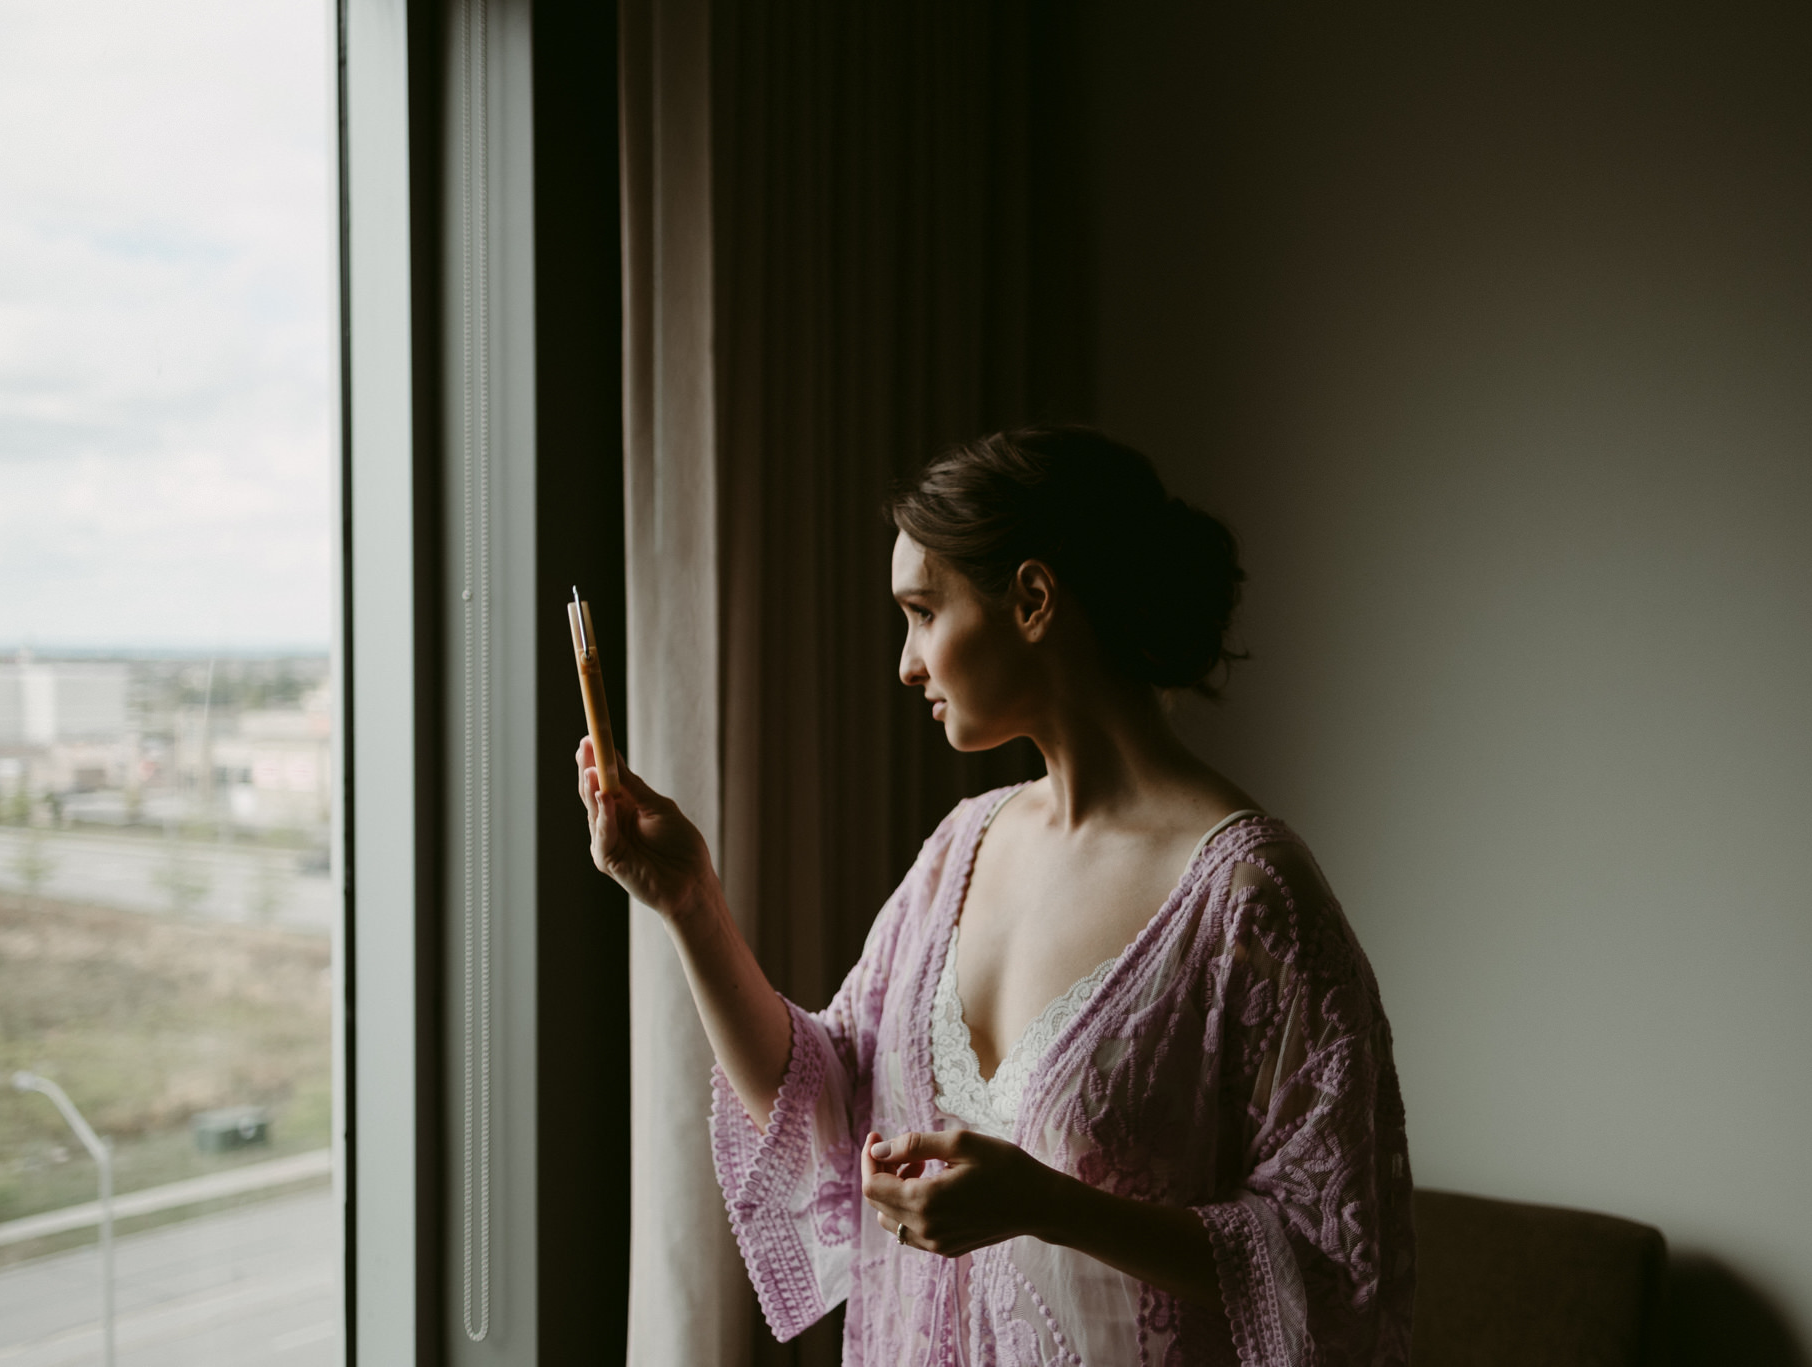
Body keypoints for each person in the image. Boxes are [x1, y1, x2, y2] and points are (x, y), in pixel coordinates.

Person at [578, 427, 1413, 1365]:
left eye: (923, 612)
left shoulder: (1249, 902)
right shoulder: (959, 850)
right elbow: (825, 1099)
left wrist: (1047, 1204)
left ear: (1032, 598)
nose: (905, 662)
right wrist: (691, 902)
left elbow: (1337, 1265)